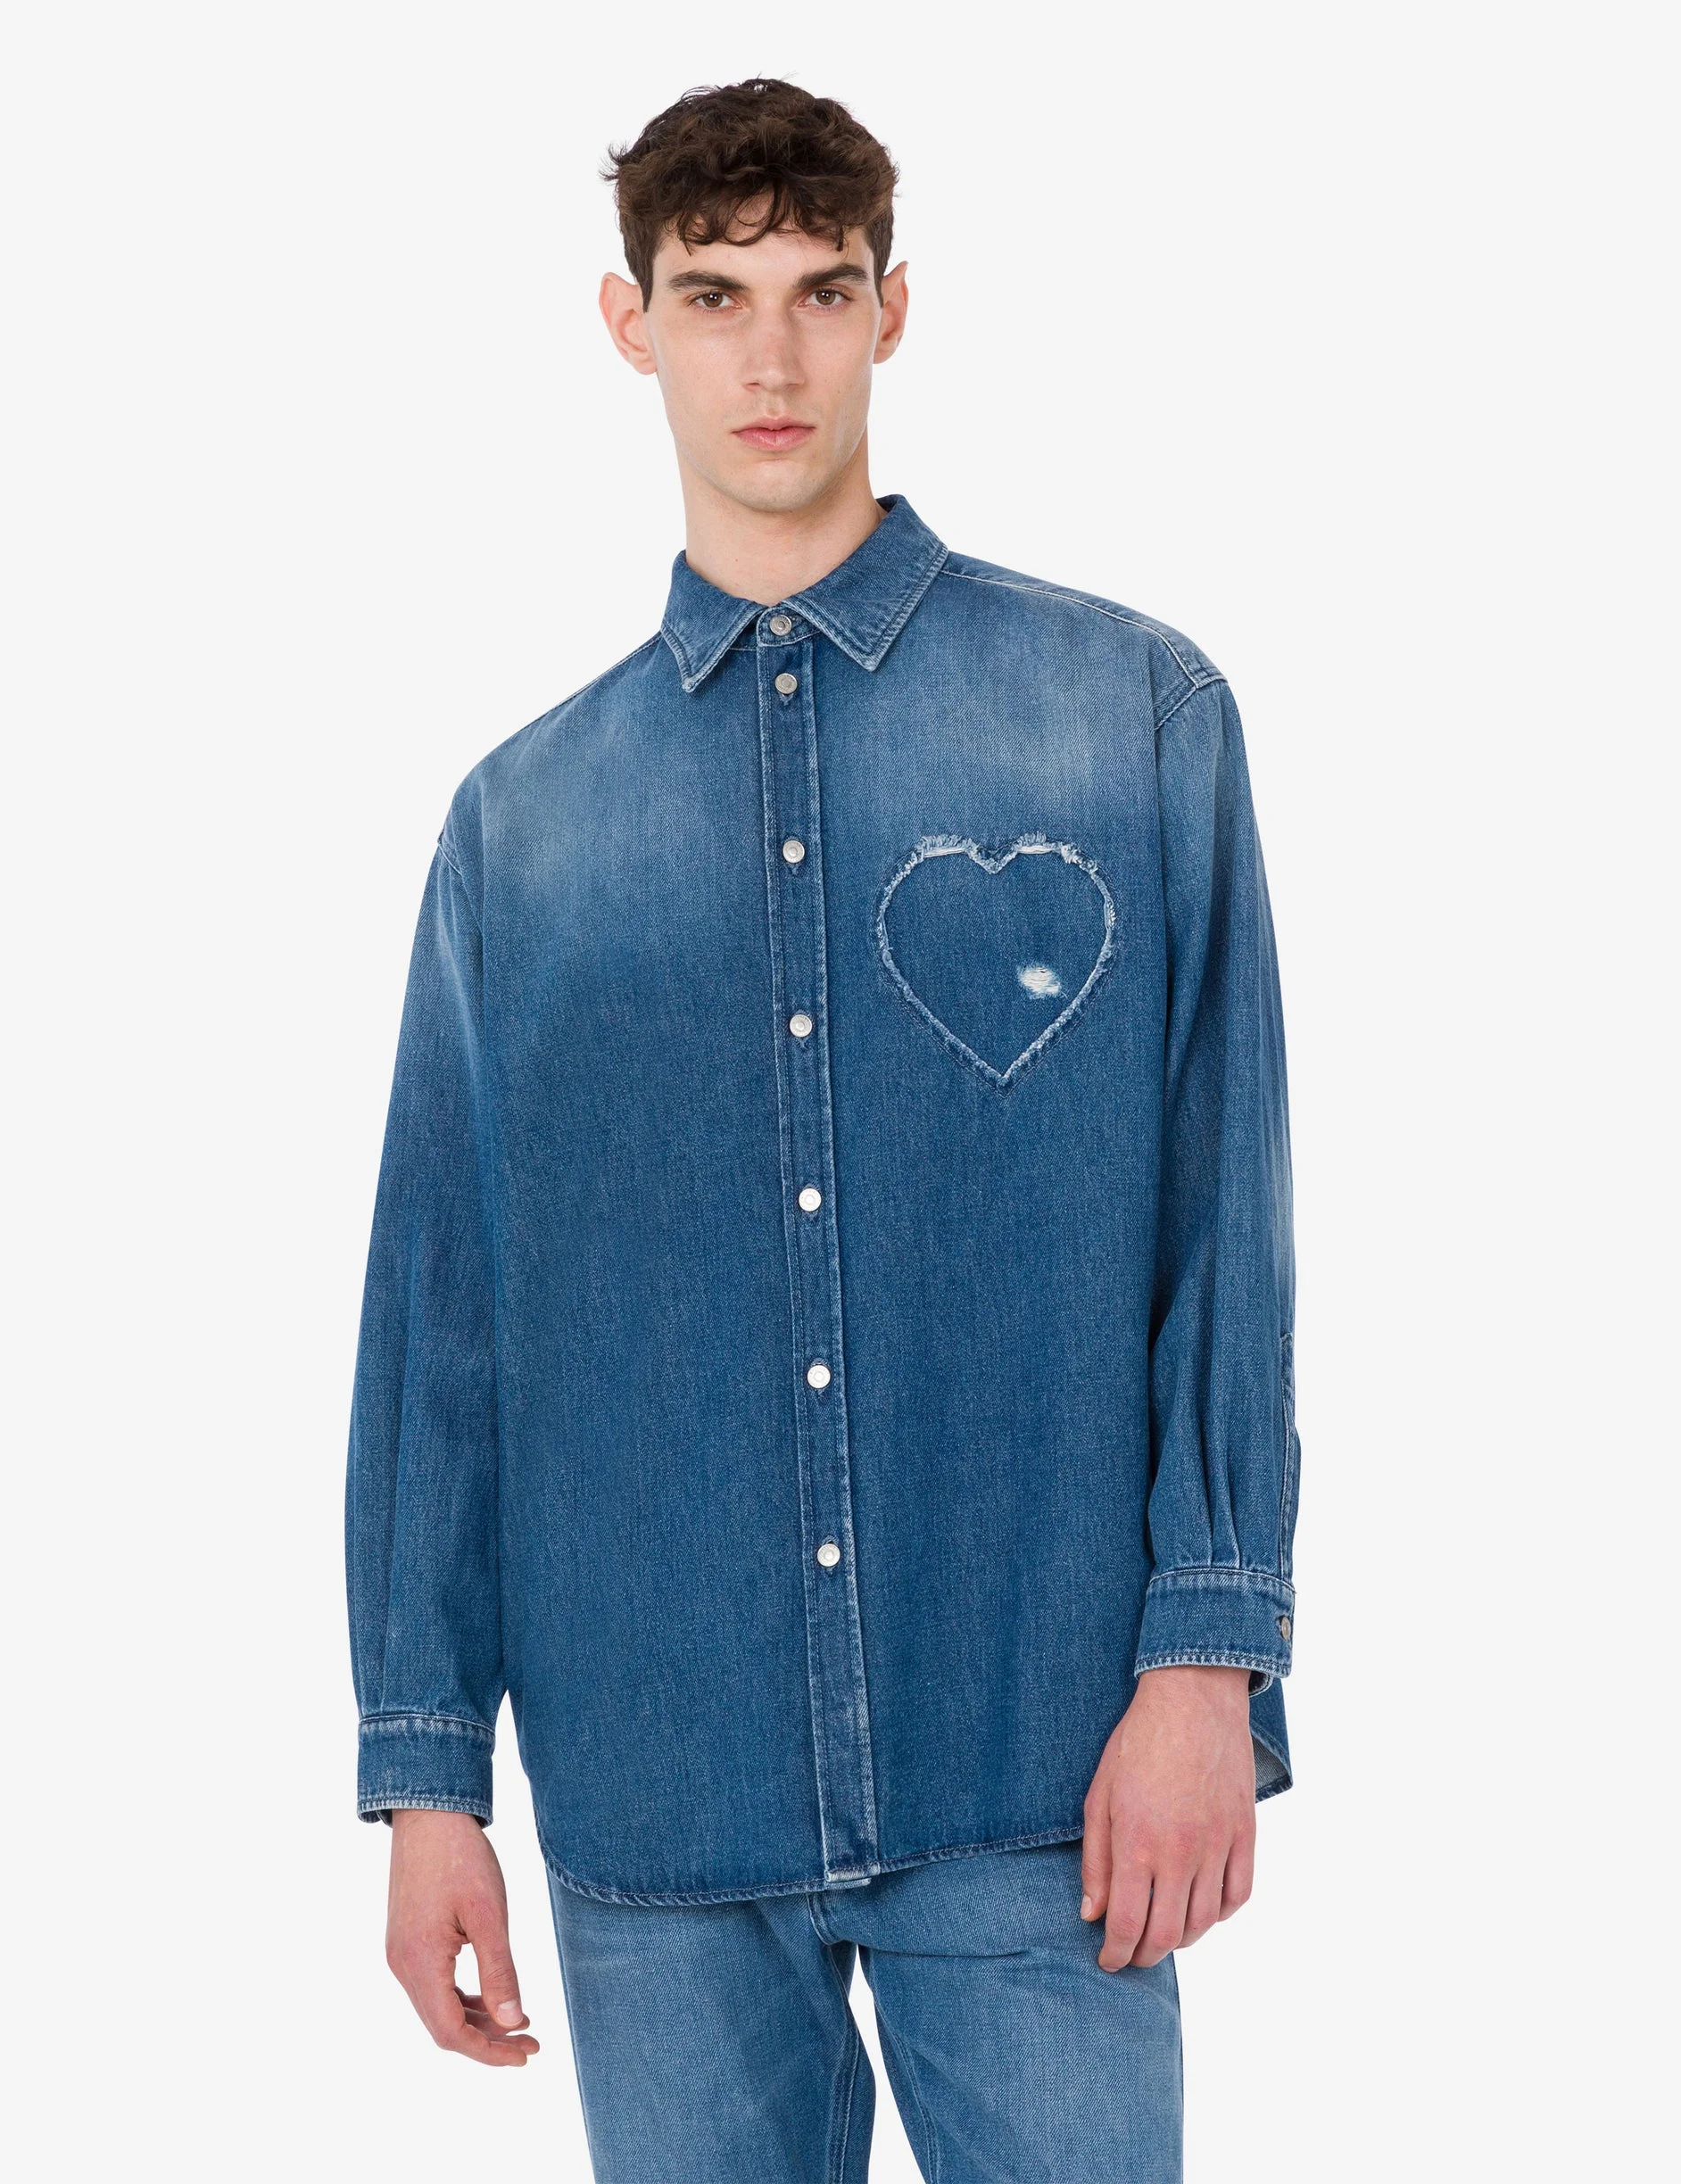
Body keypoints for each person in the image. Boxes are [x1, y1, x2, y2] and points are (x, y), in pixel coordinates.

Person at [346, 74, 1301, 2182]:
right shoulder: (524, 833)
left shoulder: (1129, 719)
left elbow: (1220, 1221)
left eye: (819, 289)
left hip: (1041, 1759)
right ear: (630, 325)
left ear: (894, 310)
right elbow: (445, 1329)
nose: (768, 355)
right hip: (660, 1784)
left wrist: (1210, 1659)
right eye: (714, 294)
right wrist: (426, 1777)